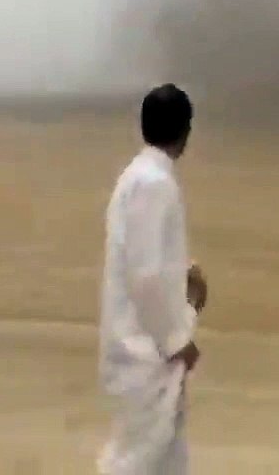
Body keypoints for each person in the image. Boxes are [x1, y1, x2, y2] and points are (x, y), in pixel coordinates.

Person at [97, 83, 208, 475]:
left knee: (164, 458)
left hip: (144, 350)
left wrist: (184, 275)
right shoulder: (154, 184)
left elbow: (146, 259)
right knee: (137, 460)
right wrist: (178, 342)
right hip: (144, 354)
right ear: (185, 131)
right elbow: (145, 277)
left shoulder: (137, 177)